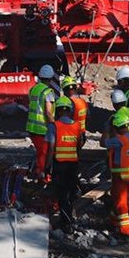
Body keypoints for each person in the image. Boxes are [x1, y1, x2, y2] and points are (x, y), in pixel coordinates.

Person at [102, 107, 129, 237]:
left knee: (121, 202)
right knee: (122, 199)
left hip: (120, 176)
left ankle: (126, 230)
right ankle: (114, 219)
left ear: (116, 127)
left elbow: (103, 143)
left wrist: (106, 130)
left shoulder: (118, 141)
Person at [50, 95, 82, 232]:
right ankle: (70, 217)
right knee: (71, 191)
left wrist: (46, 164)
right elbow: (79, 144)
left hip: (59, 164)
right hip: (73, 165)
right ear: (70, 110)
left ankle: (66, 222)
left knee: (62, 194)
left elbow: (51, 147)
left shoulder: (54, 126)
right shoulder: (77, 126)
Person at [26, 64, 58, 185]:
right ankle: (43, 178)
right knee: (44, 154)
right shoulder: (48, 92)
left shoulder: (33, 89)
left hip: (31, 127)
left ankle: (40, 174)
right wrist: (55, 126)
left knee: (40, 153)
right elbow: (49, 112)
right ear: (50, 78)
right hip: (42, 129)